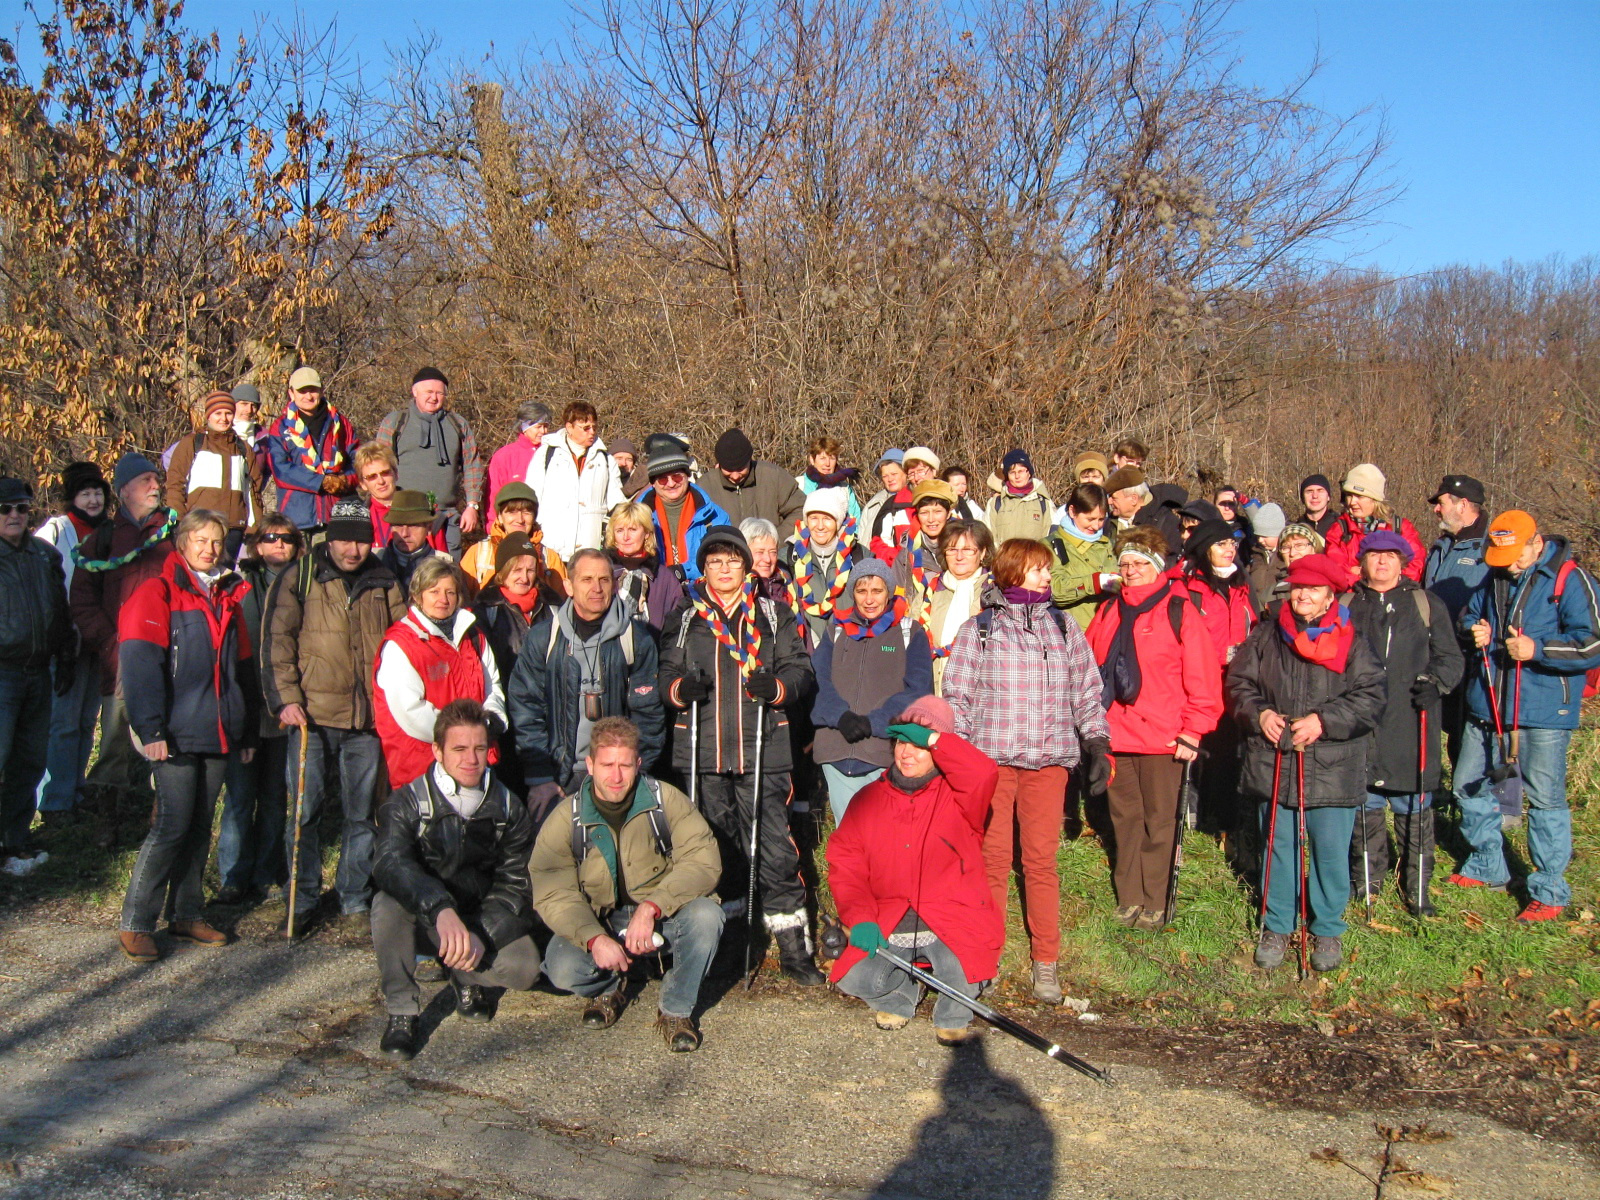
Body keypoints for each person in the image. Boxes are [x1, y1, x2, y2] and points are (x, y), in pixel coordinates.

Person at [942, 538, 1111, 1002]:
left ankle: (1046, 963)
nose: (1045, 577)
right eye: (1038, 569)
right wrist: (957, 756)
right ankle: (985, 956)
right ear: (1014, 572)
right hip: (992, 762)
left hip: (1049, 761)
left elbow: (1086, 690)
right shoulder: (979, 629)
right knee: (992, 863)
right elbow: (958, 697)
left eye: (1047, 570)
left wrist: (1096, 742)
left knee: (1040, 863)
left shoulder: (1062, 627)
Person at [658, 525, 820, 984]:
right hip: (704, 755)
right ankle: (729, 946)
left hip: (764, 748)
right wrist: (679, 689)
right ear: (703, 569)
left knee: (775, 851)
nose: (724, 569)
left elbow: (801, 671)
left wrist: (779, 687)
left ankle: (792, 947)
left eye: (732, 560)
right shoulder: (687, 617)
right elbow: (663, 672)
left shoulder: (773, 614)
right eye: (714, 562)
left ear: (746, 566)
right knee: (716, 852)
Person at [1229, 552, 1386, 972]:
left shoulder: (1354, 640)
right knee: (1277, 848)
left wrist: (1325, 721)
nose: (1302, 595)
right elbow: (1238, 683)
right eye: (1298, 587)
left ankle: (1328, 929)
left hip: (1334, 764)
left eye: (1313, 590)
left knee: (1330, 852)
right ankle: (1277, 924)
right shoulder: (1267, 635)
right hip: (1275, 759)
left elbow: (1371, 697)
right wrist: (1259, 713)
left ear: (1329, 596)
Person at [531, 716, 725, 1052]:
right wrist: (593, 939)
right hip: (600, 920)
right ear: (590, 765)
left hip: (660, 914)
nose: (616, 776)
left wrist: (653, 907)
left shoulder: (666, 801)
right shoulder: (567, 817)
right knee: (563, 969)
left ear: (638, 763)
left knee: (707, 916)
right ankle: (610, 987)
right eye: (607, 764)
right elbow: (553, 891)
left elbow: (703, 859)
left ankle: (676, 1009)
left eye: (625, 765)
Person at [116, 509, 256, 962]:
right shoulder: (157, 592)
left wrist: (247, 728)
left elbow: (244, 670)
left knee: (199, 827)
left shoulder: (229, 595)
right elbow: (140, 664)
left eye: (217, 542)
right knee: (171, 826)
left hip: (217, 729)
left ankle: (187, 912)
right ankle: (137, 921)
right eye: (201, 540)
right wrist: (150, 727)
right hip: (173, 732)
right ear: (182, 544)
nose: (210, 549)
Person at [263, 496, 408, 934]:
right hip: (311, 714)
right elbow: (278, 640)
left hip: (366, 720)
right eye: (344, 540)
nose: (352, 550)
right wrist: (285, 698)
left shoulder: (384, 579)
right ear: (330, 537)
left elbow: (402, 639)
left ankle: (353, 898)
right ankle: (303, 896)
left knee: (361, 815)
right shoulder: (300, 575)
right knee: (305, 812)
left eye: (361, 542)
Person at [371, 698, 542, 1060]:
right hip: (426, 919)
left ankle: (465, 980)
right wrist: (439, 908)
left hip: (476, 919)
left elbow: (517, 884)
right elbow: (390, 862)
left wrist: (482, 934)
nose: (471, 759)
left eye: (480, 748)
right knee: (386, 904)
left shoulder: (509, 807)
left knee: (524, 968)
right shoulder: (406, 802)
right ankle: (402, 1011)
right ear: (437, 751)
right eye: (459, 749)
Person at [827, 697, 1002, 1045]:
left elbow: (984, 772)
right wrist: (859, 917)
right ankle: (900, 996)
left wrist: (934, 738)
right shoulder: (868, 800)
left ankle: (953, 1011)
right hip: (890, 918)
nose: (908, 753)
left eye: (919, 745)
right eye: (902, 742)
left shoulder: (963, 795)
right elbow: (846, 865)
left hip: (950, 918)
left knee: (963, 970)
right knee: (853, 977)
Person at [1453, 511, 1600, 921]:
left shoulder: (1572, 581)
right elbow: (1470, 613)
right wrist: (1473, 631)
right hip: (1488, 703)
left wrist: (1538, 650)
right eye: (1501, 557)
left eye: (1515, 556)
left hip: (1543, 711)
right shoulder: (1496, 575)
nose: (1508, 565)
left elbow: (1592, 644)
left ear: (1536, 544)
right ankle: (1487, 862)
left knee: (1545, 800)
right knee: (1467, 786)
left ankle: (1550, 888)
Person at [1085, 527, 1223, 930]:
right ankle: (1130, 896)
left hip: (1165, 735)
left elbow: (1202, 675)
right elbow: (1091, 667)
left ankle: (1156, 898)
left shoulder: (1179, 609)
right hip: (1116, 732)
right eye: (1124, 563)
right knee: (1124, 818)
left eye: (1139, 563)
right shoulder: (1109, 611)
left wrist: (1194, 730)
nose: (1130, 570)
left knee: (1159, 821)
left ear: (1157, 566)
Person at [1345, 530, 1464, 917]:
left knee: (1414, 806)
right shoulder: (1346, 604)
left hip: (1413, 721)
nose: (1382, 562)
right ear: (1362, 561)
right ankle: (1367, 881)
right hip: (1362, 723)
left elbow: (1450, 657)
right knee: (1367, 804)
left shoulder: (1426, 604)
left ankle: (1416, 887)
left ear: (1403, 561)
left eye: (1391, 556)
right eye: (1374, 555)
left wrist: (1436, 683)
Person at [508, 548, 665, 821]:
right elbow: (526, 710)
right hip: (558, 773)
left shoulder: (635, 639)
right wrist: (540, 777)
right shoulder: (544, 638)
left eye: (604, 580)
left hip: (615, 775)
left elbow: (649, 715)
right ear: (568, 585)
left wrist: (633, 772)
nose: (597, 588)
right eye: (587, 579)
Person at [71, 452, 177, 838]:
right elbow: (81, 599)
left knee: (167, 740)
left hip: (167, 656)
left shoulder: (173, 532)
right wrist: (109, 642)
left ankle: (162, 820)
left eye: (156, 479)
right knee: (115, 744)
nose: (155, 486)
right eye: (146, 480)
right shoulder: (103, 540)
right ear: (124, 490)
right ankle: (108, 824)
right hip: (118, 660)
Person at [214, 516, 303, 905]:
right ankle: (232, 876)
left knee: (274, 798)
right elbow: (235, 655)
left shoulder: (306, 584)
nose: (279, 545)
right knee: (238, 798)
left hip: (285, 709)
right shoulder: (238, 586)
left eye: (287, 539)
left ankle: (266, 873)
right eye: (271, 538)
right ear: (257, 545)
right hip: (245, 705)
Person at [811, 559, 934, 824]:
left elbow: (918, 691)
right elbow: (818, 679)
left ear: (889, 593)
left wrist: (875, 722)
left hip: (883, 752)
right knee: (849, 836)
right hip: (837, 748)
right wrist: (840, 716)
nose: (869, 599)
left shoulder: (909, 632)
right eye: (861, 591)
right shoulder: (836, 629)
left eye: (877, 591)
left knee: (883, 836)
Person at [375, 557, 507, 794]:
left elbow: (492, 685)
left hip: (475, 762)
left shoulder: (473, 636)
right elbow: (411, 711)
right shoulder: (401, 644)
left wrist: (491, 722)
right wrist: (464, 738)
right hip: (422, 768)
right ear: (417, 595)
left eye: (450, 592)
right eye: (434, 591)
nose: (443, 600)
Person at [0, 478, 73, 875]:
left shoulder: (44, 555)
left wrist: (64, 655)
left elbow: (59, 610)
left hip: (39, 670)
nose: (15, 516)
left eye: (22, 508)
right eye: (5, 509)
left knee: (29, 762)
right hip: (2, 672)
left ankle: (15, 841)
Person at [33, 462, 109, 827]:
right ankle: (55, 802)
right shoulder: (57, 530)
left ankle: (75, 791)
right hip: (66, 642)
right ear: (72, 497)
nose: (93, 500)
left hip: (97, 641)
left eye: (97, 493)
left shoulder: (108, 533)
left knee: (83, 721)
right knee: (62, 723)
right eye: (85, 493)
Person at [472, 532, 564, 787]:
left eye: (530, 570)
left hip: (548, 713)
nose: (524, 577)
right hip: (507, 717)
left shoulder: (554, 607)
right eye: (516, 570)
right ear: (503, 571)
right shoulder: (485, 610)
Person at [374, 367, 486, 554]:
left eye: (439, 393)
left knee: (448, 572)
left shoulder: (458, 424)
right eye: (429, 392)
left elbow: (472, 465)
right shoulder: (395, 422)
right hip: (406, 518)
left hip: (447, 516)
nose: (433, 398)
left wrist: (472, 506)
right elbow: (379, 467)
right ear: (415, 392)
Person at [163, 389, 268, 561]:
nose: (223, 418)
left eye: (228, 413)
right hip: (198, 525)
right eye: (218, 413)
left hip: (233, 527)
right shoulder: (192, 443)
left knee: (224, 579)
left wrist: (255, 528)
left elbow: (254, 491)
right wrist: (179, 520)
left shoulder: (243, 449)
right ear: (208, 415)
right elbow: (175, 483)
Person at [263, 366, 359, 532]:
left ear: (321, 391)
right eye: (302, 391)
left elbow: (358, 460)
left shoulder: (340, 423)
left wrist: (344, 481)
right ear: (291, 393)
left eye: (313, 390)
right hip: (296, 518)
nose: (308, 396)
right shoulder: (280, 427)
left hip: (336, 516)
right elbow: (280, 470)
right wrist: (320, 482)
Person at [525, 402, 624, 562]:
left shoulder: (606, 460)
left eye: (594, 427)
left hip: (590, 551)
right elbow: (531, 497)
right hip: (551, 549)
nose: (591, 432)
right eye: (585, 428)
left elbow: (617, 504)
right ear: (569, 427)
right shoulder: (546, 455)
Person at [636, 434, 728, 584]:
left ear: (687, 475)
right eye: (663, 479)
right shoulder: (637, 517)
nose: (671, 484)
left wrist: (683, 571)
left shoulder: (714, 516)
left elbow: (723, 559)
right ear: (653, 483)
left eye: (677, 477)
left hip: (703, 591)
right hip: (654, 590)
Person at [784, 488, 864, 647]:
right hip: (804, 652)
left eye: (827, 518)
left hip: (850, 650)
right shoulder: (788, 556)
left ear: (838, 521)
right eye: (813, 518)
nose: (820, 526)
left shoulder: (860, 556)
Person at [1324, 464, 1426, 583]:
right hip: (1354, 597)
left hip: (1394, 597)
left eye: (1359, 496)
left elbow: (1416, 565)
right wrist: (1366, 584)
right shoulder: (1340, 530)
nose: (1352, 502)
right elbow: (1337, 571)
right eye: (1349, 496)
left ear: (1374, 499)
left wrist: (1384, 582)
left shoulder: (1399, 528)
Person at [925, 520, 993, 693]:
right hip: (931, 687)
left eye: (968, 550)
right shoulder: (930, 592)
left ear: (983, 552)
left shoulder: (994, 593)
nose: (959, 556)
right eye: (952, 550)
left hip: (979, 689)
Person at [460, 482, 565, 593]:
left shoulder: (549, 558)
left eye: (526, 512)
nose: (520, 519)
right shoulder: (479, 554)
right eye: (512, 512)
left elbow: (561, 602)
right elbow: (462, 596)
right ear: (500, 517)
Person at [1047, 482, 1118, 632]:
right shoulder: (1050, 546)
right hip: (1074, 634)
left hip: (1108, 631)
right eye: (1090, 519)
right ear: (1072, 512)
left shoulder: (1109, 545)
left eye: (1100, 519)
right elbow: (1055, 591)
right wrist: (1095, 582)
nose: (1096, 526)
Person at [355, 442, 448, 554]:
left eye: (385, 473)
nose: (381, 481)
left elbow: (442, 562)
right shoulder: (358, 518)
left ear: (396, 473)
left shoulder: (424, 512)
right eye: (372, 477)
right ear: (363, 484)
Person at [605, 500, 684, 632]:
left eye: (632, 529)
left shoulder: (664, 578)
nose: (625, 537)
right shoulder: (603, 572)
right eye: (619, 530)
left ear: (647, 533)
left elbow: (676, 627)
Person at [706, 427, 804, 532]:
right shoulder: (705, 486)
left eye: (740, 469)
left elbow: (801, 510)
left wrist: (775, 540)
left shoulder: (774, 476)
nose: (735, 476)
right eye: (728, 470)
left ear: (750, 460)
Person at [1423, 475, 1490, 626]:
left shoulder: (1490, 550)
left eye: (1441, 504)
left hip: (1466, 646)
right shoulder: (1439, 547)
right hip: (1432, 644)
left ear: (1462, 505)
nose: (1436, 509)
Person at [486, 401, 553, 521]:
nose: (543, 431)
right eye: (538, 427)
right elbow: (493, 496)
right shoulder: (505, 456)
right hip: (514, 524)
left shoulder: (554, 454)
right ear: (524, 427)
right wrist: (493, 527)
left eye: (546, 426)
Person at [893, 480, 955, 608]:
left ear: (948, 513)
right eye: (924, 513)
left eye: (938, 511)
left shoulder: (964, 549)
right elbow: (898, 600)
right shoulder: (905, 557)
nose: (931, 519)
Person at [378, 490, 452, 591]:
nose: (404, 534)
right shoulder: (375, 561)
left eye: (413, 526)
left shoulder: (446, 563)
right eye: (398, 525)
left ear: (429, 528)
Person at [983, 450, 1052, 544]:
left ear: (1029, 472)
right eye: (1012, 472)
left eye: (1021, 471)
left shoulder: (1044, 502)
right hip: (1004, 558)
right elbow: (989, 537)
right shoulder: (996, 503)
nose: (1017, 476)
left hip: (1034, 557)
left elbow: (1049, 537)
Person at [795, 435, 862, 523]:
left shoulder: (844, 488)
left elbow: (856, 520)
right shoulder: (799, 485)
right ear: (812, 460)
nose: (827, 463)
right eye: (822, 458)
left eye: (832, 458)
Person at [859, 450, 907, 550]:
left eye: (894, 474)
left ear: (906, 473)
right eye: (885, 476)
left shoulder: (915, 501)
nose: (890, 479)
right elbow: (862, 539)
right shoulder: (873, 504)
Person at [1246, 502, 1287, 610]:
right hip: (1256, 608)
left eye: (1265, 536)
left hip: (1278, 609)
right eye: (1258, 536)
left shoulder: (1287, 556)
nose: (1260, 540)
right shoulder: (1255, 555)